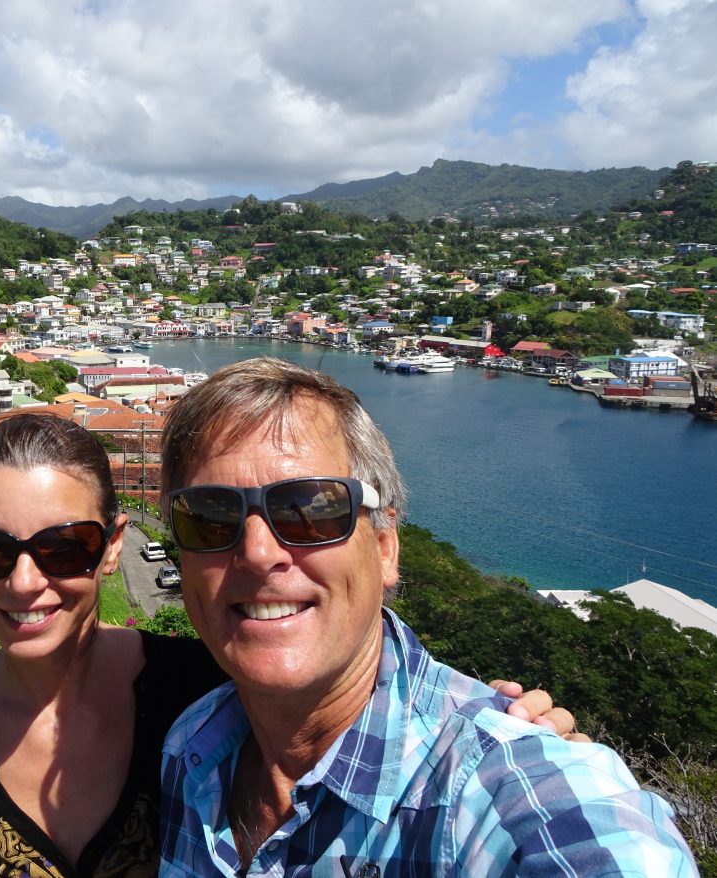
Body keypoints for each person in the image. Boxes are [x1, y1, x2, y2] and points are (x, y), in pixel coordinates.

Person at [0, 413, 581, 878]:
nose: (22, 583)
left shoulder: (203, 695)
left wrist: (505, 726)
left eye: (63, 547)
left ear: (113, 547)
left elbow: (344, 690)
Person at [155, 357, 698, 876]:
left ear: (385, 546)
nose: (257, 552)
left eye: (310, 509)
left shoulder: (504, 789)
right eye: (209, 517)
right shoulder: (191, 749)